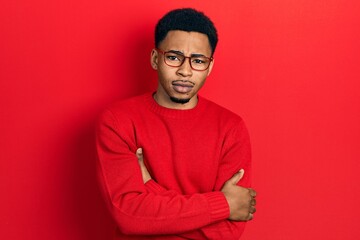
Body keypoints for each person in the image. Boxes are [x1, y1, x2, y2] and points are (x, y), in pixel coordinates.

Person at [96, 8, 257, 239]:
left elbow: (227, 232)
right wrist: (223, 205)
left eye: (198, 61)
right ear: (155, 59)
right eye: (173, 57)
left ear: (209, 67)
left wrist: (150, 187)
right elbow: (128, 216)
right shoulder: (118, 120)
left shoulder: (231, 128)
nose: (185, 71)